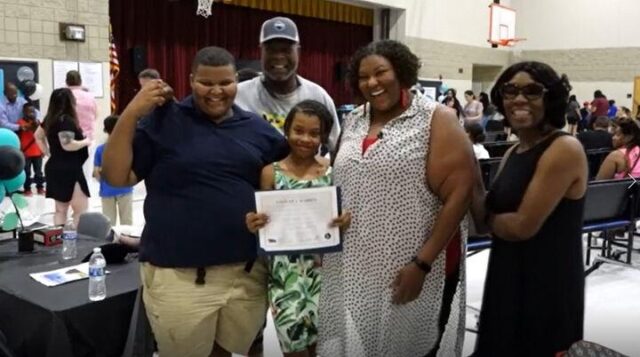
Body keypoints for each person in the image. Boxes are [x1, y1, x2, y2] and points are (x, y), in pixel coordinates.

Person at [101, 46, 287, 357]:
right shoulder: (163, 121)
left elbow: (293, 179)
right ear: (190, 80)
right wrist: (132, 111)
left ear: (236, 82)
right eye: (206, 82)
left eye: (225, 83)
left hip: (245, 274)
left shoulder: (257, 129)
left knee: (226, 352)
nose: (216, 91)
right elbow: (117, 177)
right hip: (180, 277)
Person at [318, 40, 475, 357]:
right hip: (360, 264)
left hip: (415, 266)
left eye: (380, 73)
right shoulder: (354, 119)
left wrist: (422, 264)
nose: (372, 83)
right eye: (363, 77)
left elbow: (459, 195)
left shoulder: (436, 118)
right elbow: (344, 180)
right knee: (368, 343)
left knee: (413, 346)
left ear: (401, 72)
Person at [471, 61, 587, 357]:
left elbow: (522, 226)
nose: (519, 99)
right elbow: (486, 219)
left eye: (532, 91)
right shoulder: (513, 150)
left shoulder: (564, 149)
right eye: (510, 91)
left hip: (547, 288)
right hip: (507, 277)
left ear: (551, 99)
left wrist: (488, 217)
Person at [245, 100, 351, 357]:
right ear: (286, 131)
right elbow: (263, 222)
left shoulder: (331, 172)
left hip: (326, 275)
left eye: (314, 133)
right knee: (293, 347)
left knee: (323, 347)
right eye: (298, 130)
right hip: (285, 277)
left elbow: (342, 218)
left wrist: (344, 221)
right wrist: (254, 223)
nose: (305, 138)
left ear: (324, 137)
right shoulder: (271, 173)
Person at [235, 16, 340, 152]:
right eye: (271, 50)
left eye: (286, 50)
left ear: (298, 52)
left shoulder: (318, 96)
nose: (279, 56)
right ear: (261, 52)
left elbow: (336, 148)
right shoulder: (239, 95)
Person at [34, 88, 91, 226]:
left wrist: (47, 152)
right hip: (69, 168)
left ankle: (58, 240)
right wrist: (86, 141)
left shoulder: (49, 119)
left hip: (54, 166)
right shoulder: (66, 120)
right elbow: (67, 145)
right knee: (80, 210)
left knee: (60, 210)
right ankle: (77, 242)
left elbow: (37, 136)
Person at [93, 115, 133, 225]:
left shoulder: (100, 149)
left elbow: (96, 173)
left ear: (106, 130)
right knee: (127, 223)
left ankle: (111, 242)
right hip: (125, 188)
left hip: (107, 190)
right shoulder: (127, 147)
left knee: (108, 224)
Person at [17, 102, 45, 195]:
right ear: (24, 112)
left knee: (39, 172)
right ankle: (27, 189)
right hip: (26, 153)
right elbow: (19, 136)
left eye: (33, 111)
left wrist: (43, 149)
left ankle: (40, 187)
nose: (31, 114)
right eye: (29, 112)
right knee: (27, 172)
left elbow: (42, 137)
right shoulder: (20, 123)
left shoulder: (38, 122)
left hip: (37, 152)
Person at [66, 70, 98, 140]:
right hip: (88, 138)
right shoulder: (90, 96)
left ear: (66, 82)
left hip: (70, 139)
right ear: (80, 81)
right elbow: (95, 115)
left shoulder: (63, 96)